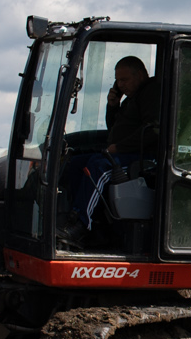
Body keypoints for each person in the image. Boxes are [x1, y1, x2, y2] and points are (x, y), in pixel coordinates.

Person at [64, 56, 157, 243]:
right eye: (118, 81)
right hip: (123, 153)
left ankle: (82, 225)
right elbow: (115, 128)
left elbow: (153, 130)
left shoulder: (151, 92)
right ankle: (84, 219)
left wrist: (120, 147)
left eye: (124, 80)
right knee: (75, 164)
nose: (120, 85)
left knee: (100, 167)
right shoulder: (131, 99)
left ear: (139, 75)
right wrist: (113, 106)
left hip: (143, 157)